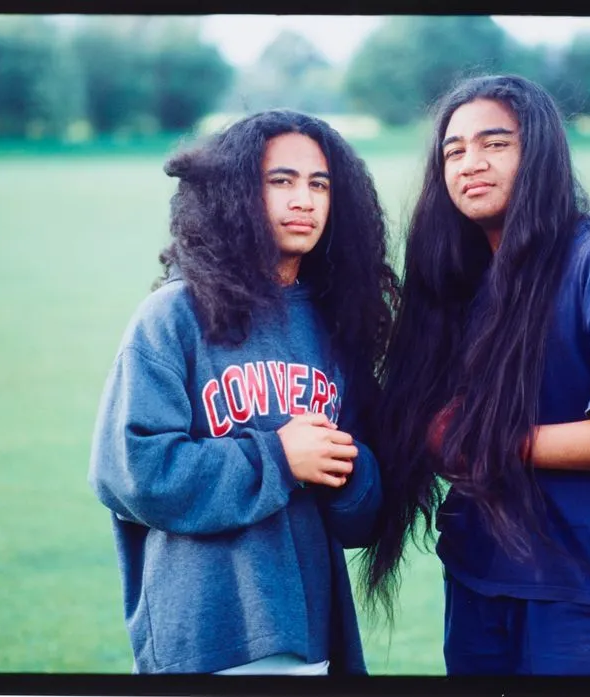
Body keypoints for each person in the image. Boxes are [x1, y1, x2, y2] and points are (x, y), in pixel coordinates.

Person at [358, 75, 590, 676]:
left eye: (495, 143)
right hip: (479, 577)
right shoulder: (456, 277)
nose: (471, 163)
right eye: (454, 150)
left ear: (539, 152)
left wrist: (498, 444)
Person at [88, 109, 398, 675]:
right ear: (235, 193)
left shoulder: (335, 325)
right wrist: (279, 457)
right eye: (280, 181)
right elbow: (130, 471)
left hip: (311, 635)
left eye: (319, 184)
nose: (303, 199)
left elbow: (362, 520)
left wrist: (345, 471)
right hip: (206, 636)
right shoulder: (173, 316)